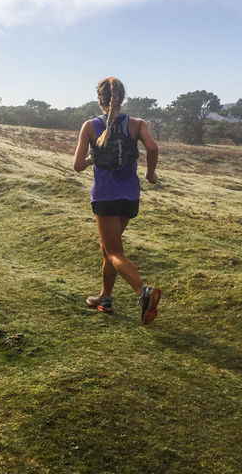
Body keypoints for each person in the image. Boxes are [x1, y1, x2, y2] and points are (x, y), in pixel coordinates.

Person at [73, 77, 162, 325]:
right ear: (121, 99)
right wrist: (150, 174)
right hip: (130, 197)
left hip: (105, 195)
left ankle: (143, 292)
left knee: (113, 251)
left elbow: (78, 166)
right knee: (108, 249)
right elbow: (152, 148)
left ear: (100, 100)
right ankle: (105, 297)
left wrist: (93, 158)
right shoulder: (137, 124)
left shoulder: (90, 126)